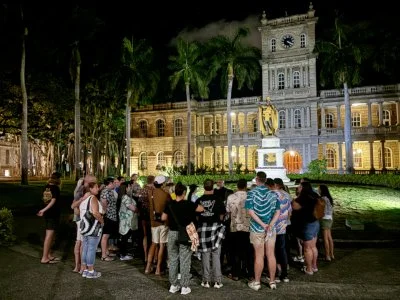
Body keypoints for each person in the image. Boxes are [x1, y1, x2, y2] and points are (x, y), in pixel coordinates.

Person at [162, 183, 204, 295]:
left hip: (172, 233)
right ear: (184, 193)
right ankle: (184, 286)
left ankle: (173, 285)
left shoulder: (169, 204)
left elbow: (163, 217)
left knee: (173, 259)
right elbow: (201, 209)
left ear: (175, 192)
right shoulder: (189, 204)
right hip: (185, 234)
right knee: (185, 260)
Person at [245, 171, 280, 291]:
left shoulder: (251, 193)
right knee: (271, 254)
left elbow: (250, 211)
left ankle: (257, 282)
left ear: (256, 179)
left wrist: (262, 224)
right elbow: (277, 211)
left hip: (257, 228)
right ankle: (272, 281)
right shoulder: (273, 194)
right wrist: (270, 225)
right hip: (270, 229)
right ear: (265, 180)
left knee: (259, 256)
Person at [196, 179, 226, 289]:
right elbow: (222, 215)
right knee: (216, 255)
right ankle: (217, 281)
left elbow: (196, 216)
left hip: (203, 228)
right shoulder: (218, 199)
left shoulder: (199, 200)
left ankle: (206, 281)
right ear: (212, 187)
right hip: (216, 228)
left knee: (205, 255)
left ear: (204, 187)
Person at [225, 178, 252, 281]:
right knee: (249, 251)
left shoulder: (231, 197)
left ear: (237, 186)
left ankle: (236, 273)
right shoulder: (250, 196)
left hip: (235, 227)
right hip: (248, 227)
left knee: (235, 251)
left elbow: (228, 211)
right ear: (245, 186)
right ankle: (250, 273)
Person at [292, 181, 320, 275]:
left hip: (307, 224)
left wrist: (294, 199)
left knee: (307, 248)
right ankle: (314, 266)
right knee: (313, 246)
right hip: (315, 223)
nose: (298, 188)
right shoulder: (315, 195)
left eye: (299, 186)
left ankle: (309, 269)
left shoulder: (302, 198)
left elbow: (294, 208)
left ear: (303, 188)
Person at [79, 181, 104, 278]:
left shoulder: (84, 200)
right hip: (93, 227)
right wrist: (102, 221)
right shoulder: (93, 198)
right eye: (96, 187)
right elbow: (95, 213)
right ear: (91, 188)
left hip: (85, 227)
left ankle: (85, 270)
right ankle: (91, 271)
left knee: (85, 247)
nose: (98, 189)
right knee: (91, 249)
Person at [37, 173, 62, 264]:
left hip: (48, 214)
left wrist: (44, 210)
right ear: (58, 179)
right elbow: (53, 201)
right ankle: (44, 258)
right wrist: (43, 210)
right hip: (53, 214)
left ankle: (49, 255)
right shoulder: (55, 188)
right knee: (49, 235)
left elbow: (44, 199)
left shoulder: (46, 187)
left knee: (51, 235)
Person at [272, 178, 292, 283]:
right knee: (282, 250)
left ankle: (274, 274)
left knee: (272, 251)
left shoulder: (270, 196)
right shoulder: (285, 196)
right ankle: (284, 274)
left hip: (271, 228)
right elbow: (289, 213)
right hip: (282, 228)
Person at [318, 184, 335, 261]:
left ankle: (327, 255)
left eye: (319, 189)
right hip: (330, 218)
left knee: (325, 238)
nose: (318, 190)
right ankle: (332, 254)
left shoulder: (322, 199)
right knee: (329, 237)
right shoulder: (329, 198)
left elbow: (323, 211)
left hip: (324, 219)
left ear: (322, 190)